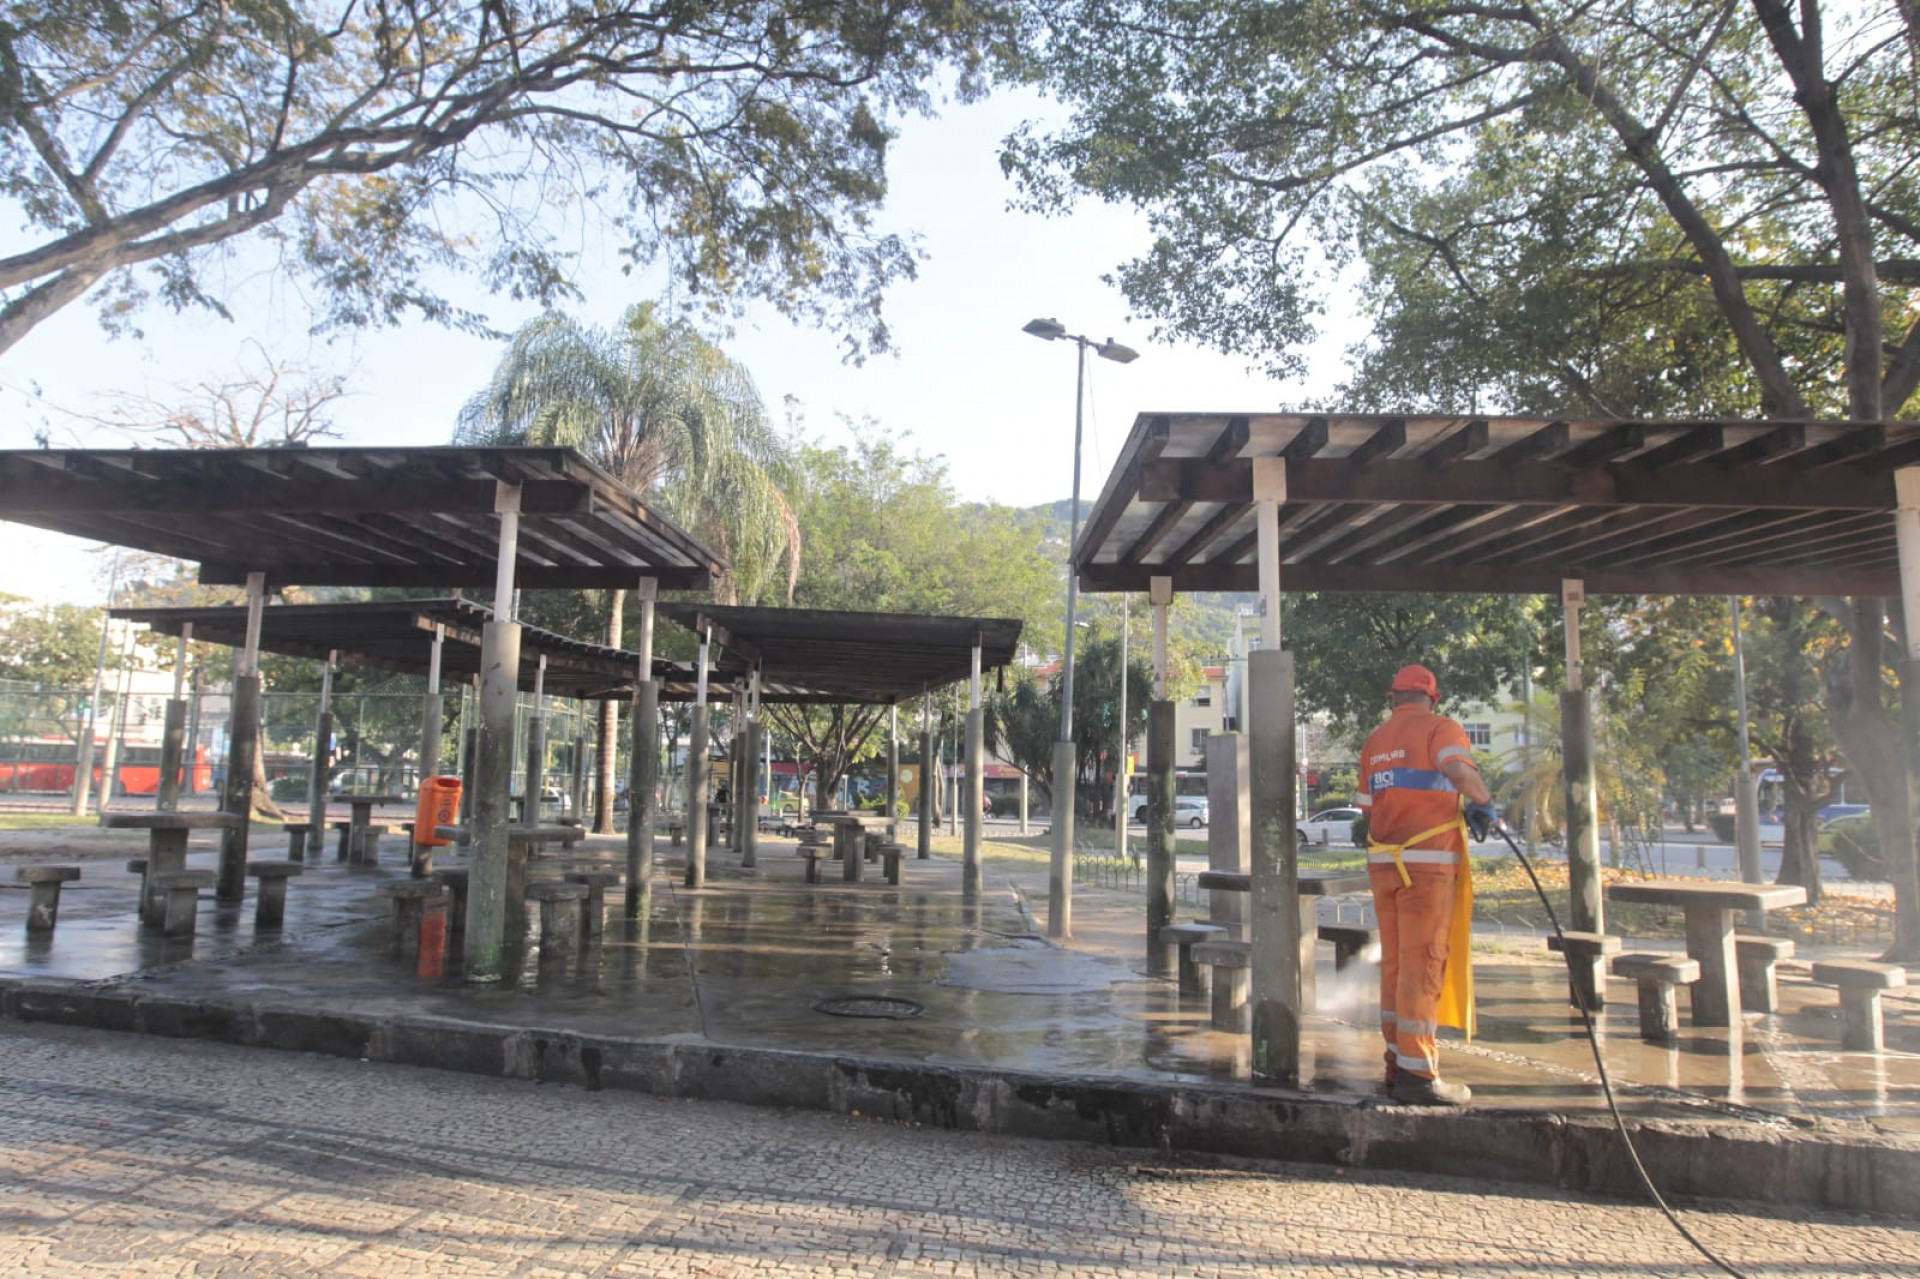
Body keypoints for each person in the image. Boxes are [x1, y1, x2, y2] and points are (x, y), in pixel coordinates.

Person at [1356, 664, 1497, 1107]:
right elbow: (1456, 768)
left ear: (1392, 699)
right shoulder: (1443, 728)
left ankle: (1396, 1064)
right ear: (1433, 699)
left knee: (1396, 967)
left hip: (1384, 866)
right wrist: (1483, 802)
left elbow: (1366, 810)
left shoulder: (1375, 741)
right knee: (1424, 965)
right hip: (1427, 869)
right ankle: (1419, 1075)